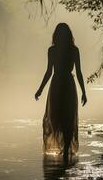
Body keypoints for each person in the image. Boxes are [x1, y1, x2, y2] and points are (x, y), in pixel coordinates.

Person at [35, 22, 87, 161]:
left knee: (63, 116)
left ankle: (65, 150)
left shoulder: (56, 50)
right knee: (64, 117)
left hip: (59, 84)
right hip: (65, 84)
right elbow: (77, 73)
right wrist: (40, 89)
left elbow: (50, 72)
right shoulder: (71, 50)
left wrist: (84, 91)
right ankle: (65, 149)